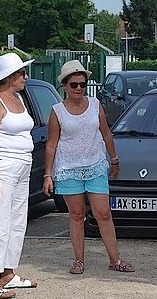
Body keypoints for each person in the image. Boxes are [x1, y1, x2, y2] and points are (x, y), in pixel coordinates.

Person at [43, 60, 134, 275]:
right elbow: (51, 144)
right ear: (65, 86)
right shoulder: (57, 111)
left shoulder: (95, 105)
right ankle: (78, 260)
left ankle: (115, 260)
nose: (78, 88)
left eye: (82, 84)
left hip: (95, 164)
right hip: (68, 168)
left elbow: (106, 133)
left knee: (103, 213)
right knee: (76, 214)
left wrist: (114, 159)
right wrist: (48, 174)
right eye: (74, 84)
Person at [0, 52, 38, 299]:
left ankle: (7, 273)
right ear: (9, 76)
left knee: (17, 221)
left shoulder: (18, 98)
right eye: (21, 73)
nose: (25, 76)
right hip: (1, 166)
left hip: (22, 165)